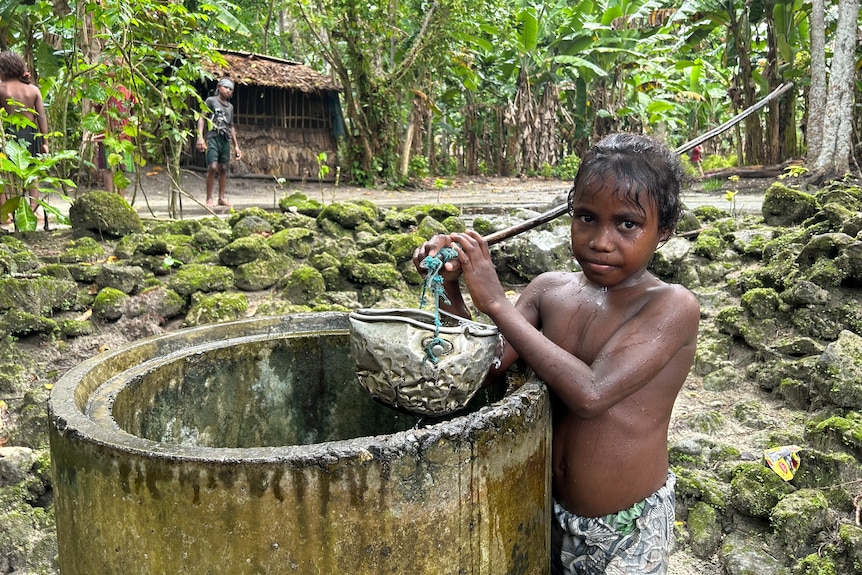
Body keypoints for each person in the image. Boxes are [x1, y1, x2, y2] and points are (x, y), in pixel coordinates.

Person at [413, 133, 699, 574]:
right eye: (587, 217)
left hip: (627, 527)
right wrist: (452, 286)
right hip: (545, 508)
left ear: (664, 230)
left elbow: (591, 394)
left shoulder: (671, 307)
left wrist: (495, 303)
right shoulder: (550, 291)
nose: (601, 240)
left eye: (627, 224)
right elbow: (482, 368)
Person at [0, 51, 49, 223]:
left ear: (4, 69)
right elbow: (41, 117)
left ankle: (9, 213)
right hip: (32, 133)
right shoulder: (33, 90)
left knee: (9, 173)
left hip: (10, 133)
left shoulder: (2, 88)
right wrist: (45, 142)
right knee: (32, 172)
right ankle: (34, 210)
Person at [196, 78, 242, 209]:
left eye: (230, 89)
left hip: (225, 139)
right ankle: (209, 198)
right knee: (212, 166)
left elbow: (231, 126)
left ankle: (221, 198)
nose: (228, 90)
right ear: (219, 87)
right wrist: (200, 137)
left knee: (223, 168)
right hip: (212, 137)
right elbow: (202, 118)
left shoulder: (230, 107)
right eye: (226, 87)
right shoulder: (211, 101)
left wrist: (236, 146)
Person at [94, 78, 137, 197]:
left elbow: (134, 109)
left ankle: (121, 198)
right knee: (108, 167)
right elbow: (97, 109)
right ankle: (111, 197)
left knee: (121, 167)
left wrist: (130, 124)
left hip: (123, 135)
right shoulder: (102, 88)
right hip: (106, 134)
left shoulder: (128, 88)